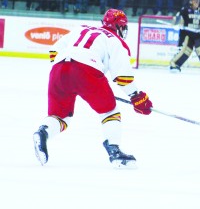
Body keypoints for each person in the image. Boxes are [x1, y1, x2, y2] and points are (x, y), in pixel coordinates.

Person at [33, 9, 153, 168]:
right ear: (118, 26)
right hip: (87, 72)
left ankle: (43, 132)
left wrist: (69, 72)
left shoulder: (81, 28)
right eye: (123, 27)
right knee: (109, 111)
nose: (123, 31)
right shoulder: (115, 40)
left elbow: (54, 50)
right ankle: (115, 151)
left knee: (60, 116)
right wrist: (136, 96)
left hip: (58, 70)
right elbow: (123, 76)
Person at [170, 0, 200, 74]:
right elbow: (177, 19)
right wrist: (176, 24)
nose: (196, 1)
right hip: (187, 34)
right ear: (191, 1)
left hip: (198, 35)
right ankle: (174, 65)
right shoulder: (185, 10)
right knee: (185, 50)